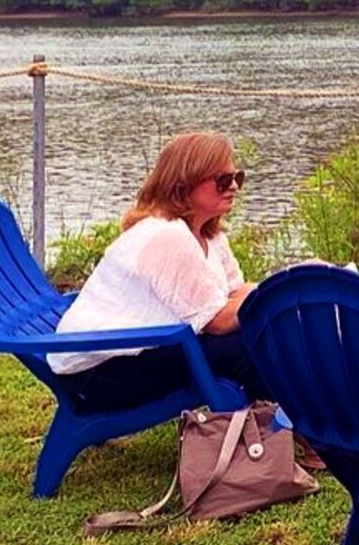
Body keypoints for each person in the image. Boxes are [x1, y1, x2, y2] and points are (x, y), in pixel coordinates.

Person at [50, 131, 270, 408]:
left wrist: (276, 293)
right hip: (97, 374)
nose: (234, 187)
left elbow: (237, 292)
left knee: (265, 335)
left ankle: (298, 425)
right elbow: (217, 321)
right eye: (223, 180)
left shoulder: (209, 236)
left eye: (237, 177)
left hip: (138, 349)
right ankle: (311, 431)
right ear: (184, 185)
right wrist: (278, 297)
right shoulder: (166, 236)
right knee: (252, 349)